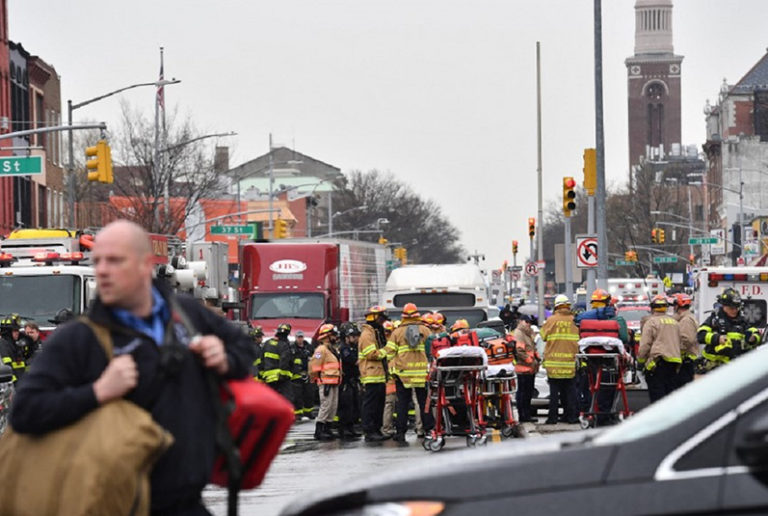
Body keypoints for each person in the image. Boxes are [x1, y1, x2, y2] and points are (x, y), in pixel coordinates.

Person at [10, 220, 253, 515]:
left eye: (114, 260)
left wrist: (224, 356)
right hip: (119, 504)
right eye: (98, 261)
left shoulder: (185, 315)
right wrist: (98, 391)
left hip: (187, 501)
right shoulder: (80, 338)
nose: (102, 270)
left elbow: (245, 350)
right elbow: (25, 411)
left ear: (144, 264)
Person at [574, 288, 630, 424]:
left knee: (592, 388)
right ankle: (605, 415)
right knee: (609, 388)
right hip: (610, 360)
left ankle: (595, 413)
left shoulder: (584, 319)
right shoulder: (617, 319)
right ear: (608, 302)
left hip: (591, 360)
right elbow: (624, 338)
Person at [385, 303, 434, 442]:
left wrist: (386, 367)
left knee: (402, 404)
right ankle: (429, 429)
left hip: (403, 374)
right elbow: (433, 350)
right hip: (421, 373)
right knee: (424, 402)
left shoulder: (397, 332)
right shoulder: (425, 330)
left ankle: (400, 433)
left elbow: (389, 352)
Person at [539, 294, 580, 425]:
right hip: (570, 363)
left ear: (556, 306)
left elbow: (543, 336)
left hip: (553, 364)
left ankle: (553, 418)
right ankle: (571, 417)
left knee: (554, 394)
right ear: (568, 306)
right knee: (570, 392)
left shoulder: (551, 320)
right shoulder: (574, 320)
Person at [697, 288, 761, 369]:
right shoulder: (714, 320)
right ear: (724, 306)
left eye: (737, 307)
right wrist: (717, 338)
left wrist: (754, 338)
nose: (735, 310)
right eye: (731, 308)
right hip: (716, 367)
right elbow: (700, 335)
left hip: (737, 367)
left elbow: (756, 333)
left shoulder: (742, 320)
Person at [638, 295, 681, 403]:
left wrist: (641, 361)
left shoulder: (651, 322)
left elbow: (645, 345)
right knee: (669, 395)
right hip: (674, 363)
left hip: (658, 363)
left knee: (657, 396)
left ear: (652, 308)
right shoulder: (675, 323)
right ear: (666, 307)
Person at [358, 306, 390, 442]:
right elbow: (370, 354)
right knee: (370, 405)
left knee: (379, 405)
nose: (383, 321)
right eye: (381, 318)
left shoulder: (377, 332)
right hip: (371, 375)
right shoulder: (367, 335)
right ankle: (369, 431)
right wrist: (385, 352)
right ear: (374, 317)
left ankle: (377, 429)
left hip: (379, 374)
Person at [309, 323, 341, 441]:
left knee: (332, 406)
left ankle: (327, 429)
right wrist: (317, 379)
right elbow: (314, 366)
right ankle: (319, 431)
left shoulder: (332, 349)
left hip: (334, 382)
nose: (335, 337)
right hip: (325, 382)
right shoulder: (320, 350)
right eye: (333, 335)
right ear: (327, 336)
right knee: (326, 406)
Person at [513, 314, 540, 423]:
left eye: (530, 323)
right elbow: (519, 350)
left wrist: (536, 357)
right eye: (527, 322)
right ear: (521, 321)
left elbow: (531, 348)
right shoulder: (519, 333)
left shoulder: (527, 333)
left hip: (530, 368)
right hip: (523, 368)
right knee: (523, 394)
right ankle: (523, 416)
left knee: (528, 393)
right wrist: (529, 359)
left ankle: (527, 415)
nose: (529, 324)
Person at [337, 323, 362, 440]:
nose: (355, 338)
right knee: (346, 406)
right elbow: (353, 360)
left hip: (353, 381)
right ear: (346, 337)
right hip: (346, 382)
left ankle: (351, 428)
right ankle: (344, 429)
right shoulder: (344, 349)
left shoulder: (353, 348)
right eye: (352, 336)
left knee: (353, 406)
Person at [261, 323, 294, 402]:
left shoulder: (267, 343)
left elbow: (261, 360)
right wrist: (285, 376)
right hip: (280, 378)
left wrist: (262, 376)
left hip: (268, 378)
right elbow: (284, 362)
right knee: (287, 399)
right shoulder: (284, 345)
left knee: (269, 399)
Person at [672, 293, 699, 387]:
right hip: (686, 362)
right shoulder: (685, 318)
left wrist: (673, 349)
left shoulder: (686, 321)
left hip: (686, 362)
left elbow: (687, 340)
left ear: (678, 305)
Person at [291, 330, 314, 420]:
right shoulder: (292, 348)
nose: (300, 339)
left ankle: (308, 412)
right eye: (298, 337)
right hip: (297, 375)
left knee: (309, 394)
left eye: (301, 337)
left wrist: (313, 358)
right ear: (295, 338)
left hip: (308, 374)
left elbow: (317, 355)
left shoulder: (310, 347)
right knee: (297, 395)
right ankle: (298, 413)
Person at [379, 320, 397, 438]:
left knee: (389, 404)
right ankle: (387, 428)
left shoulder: (381, 344)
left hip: (387, 378)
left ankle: (387, 428)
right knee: (390, 404)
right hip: (394, 378)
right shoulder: (392, 344)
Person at [0, 317, 29, 383]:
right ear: (8, 332)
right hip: (11, 384)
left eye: (18, 330)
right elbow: (7, 365)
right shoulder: (3, 345)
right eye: (15, 330)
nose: (17, 333)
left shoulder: (16, 345)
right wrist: (14, 382)